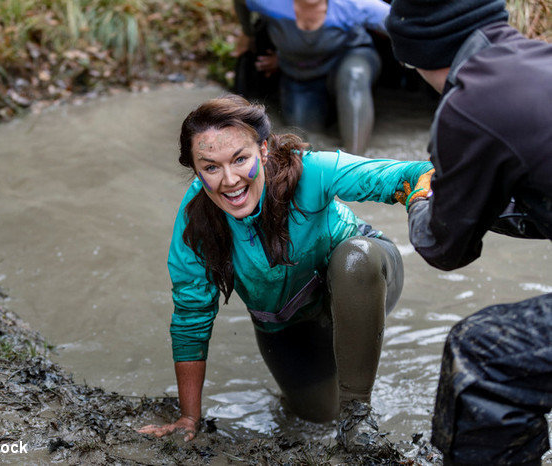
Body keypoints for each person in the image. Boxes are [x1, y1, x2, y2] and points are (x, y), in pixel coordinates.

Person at [138, 95, 433, 442]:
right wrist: (189, 417)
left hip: (366, 275)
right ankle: (332, 391)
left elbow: (411, 173)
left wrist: (421, 204)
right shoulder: (195, 223)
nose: (230, 180)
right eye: (211, 167)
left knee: (355, 258)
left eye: (240, 159)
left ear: (263, 151)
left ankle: (357, 417)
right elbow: (191, 316)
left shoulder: (311, 171)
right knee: (315, 419)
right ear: (197, 170)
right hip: (284, 322)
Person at [385, 1, 552, 464]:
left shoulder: (468, 106)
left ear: (411, 54)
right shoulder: (538, 62)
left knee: (480, 353)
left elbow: (445, 249)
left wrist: (421, 199)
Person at [234, 0, 391, 154]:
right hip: (301, 74)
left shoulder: (353, 4)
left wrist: (411, 61)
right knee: (304, 139)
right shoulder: (270, 3)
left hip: (349, 59)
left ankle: (357, 162)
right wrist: (248, 33)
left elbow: (402, 22)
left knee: (353, 75)